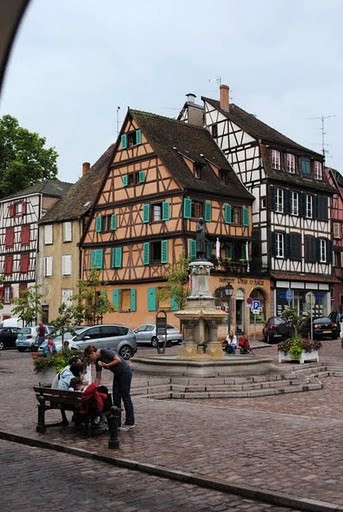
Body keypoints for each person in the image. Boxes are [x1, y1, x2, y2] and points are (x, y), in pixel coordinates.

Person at [84, 344, 135, 431]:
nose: (90, 359)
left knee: (125, 397)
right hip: (117, 374)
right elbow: (98, 377)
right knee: (116, 398)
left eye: (89, 357)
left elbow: (118, 360)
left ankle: (130, 422)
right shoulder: (97, 362)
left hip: (125, 372)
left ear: (92, 353)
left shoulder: (105, 351)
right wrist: (93, 389)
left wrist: (107, 365)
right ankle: (117, 423)